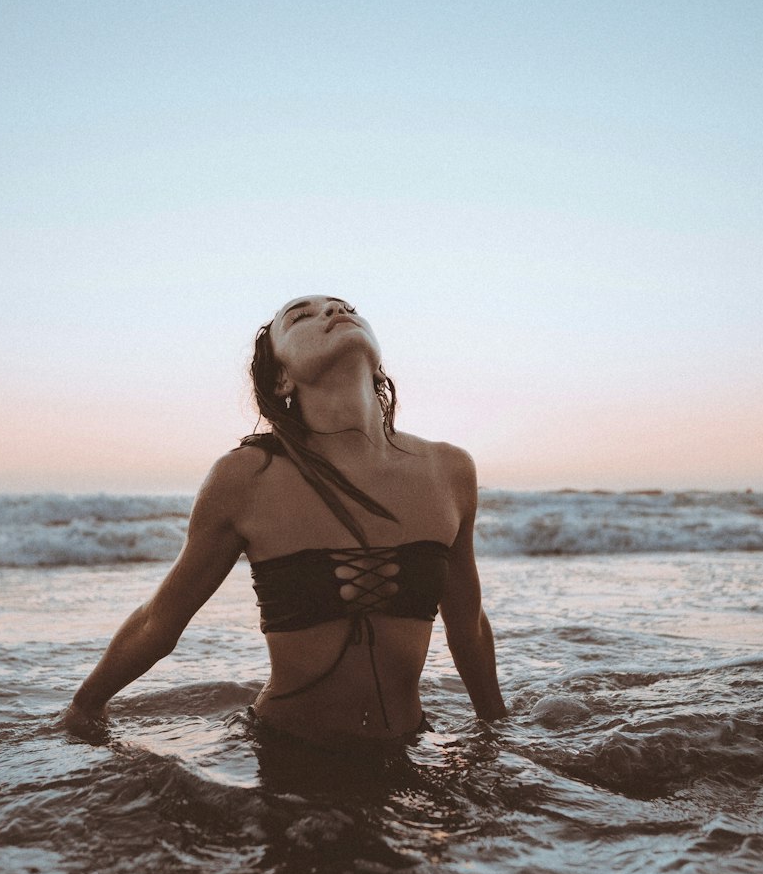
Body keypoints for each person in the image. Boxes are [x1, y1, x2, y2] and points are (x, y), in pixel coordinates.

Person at [64, 294, 506, 750]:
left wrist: (498, 731)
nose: (335, 313)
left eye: (346, 308)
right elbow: (159, 621)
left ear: (378, 365)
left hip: (408, 745)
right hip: (286, 748)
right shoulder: (246, 477)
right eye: (301, 316)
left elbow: (467, 624)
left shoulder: (448, 470)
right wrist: (85, 705)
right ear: (281, 379)